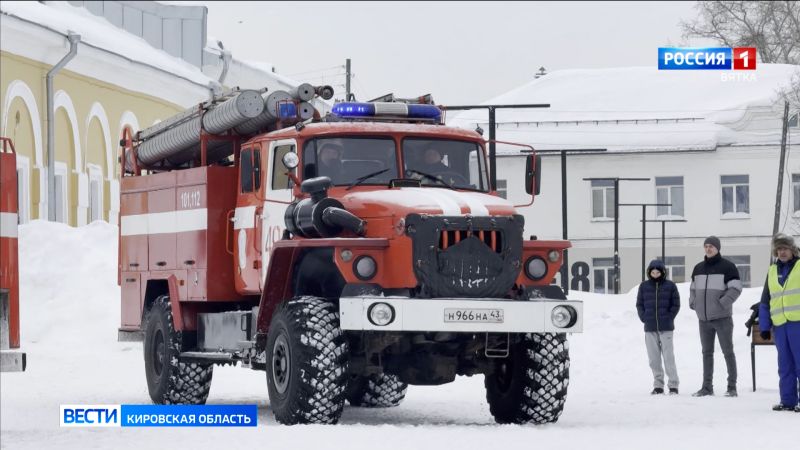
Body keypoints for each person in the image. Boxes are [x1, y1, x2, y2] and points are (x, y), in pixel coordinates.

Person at [689, 236, 742, 397]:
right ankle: (707, 387)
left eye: (711, 246)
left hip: (722, 318)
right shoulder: (698, 268)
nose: (708, 248)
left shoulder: (728, 267)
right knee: (706, 353)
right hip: (703, 319)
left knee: (728, 352)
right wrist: (694, 303)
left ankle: (731, 387)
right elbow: (692, 289)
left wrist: (723, 303)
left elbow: (736, 288)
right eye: (706, 246)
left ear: (717, 248)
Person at [758, 233, 800, 412]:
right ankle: (788, 401)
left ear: (792, 250)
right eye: (779, 249)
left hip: (798, 323)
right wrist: (765, 326)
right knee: (785, 365)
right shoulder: (772, 270)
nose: (782, 252)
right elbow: (766, 300)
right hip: (780, 325)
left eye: (785, 248)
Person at [636, 259, 681, 395]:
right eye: (653, 272)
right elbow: (639, 304)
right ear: (649, 273)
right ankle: (658, 386)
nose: (655, 274)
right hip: (650, 328)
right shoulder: (643, 286)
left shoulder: (670, 286)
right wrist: (644, 317)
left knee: (668, 357)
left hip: (666, 327)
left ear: (662, 272)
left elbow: (676, 304)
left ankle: (673, 385)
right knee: (654, 359)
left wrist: (669, 317)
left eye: (658, 272)